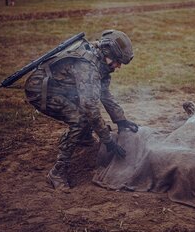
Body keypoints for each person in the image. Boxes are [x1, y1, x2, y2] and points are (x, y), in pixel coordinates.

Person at [24, 30, 139, 189]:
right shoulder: (88, 68)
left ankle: (83, 138)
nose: (118, 66)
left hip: (63, 87)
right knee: (80, 120)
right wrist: (107, 140)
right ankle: (57, 172)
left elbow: (104, 94)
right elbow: (90, 108)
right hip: (42, 91)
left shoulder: (100, 61)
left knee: (86, 112)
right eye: (118, 61)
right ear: (107, 53)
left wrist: (121, 120)